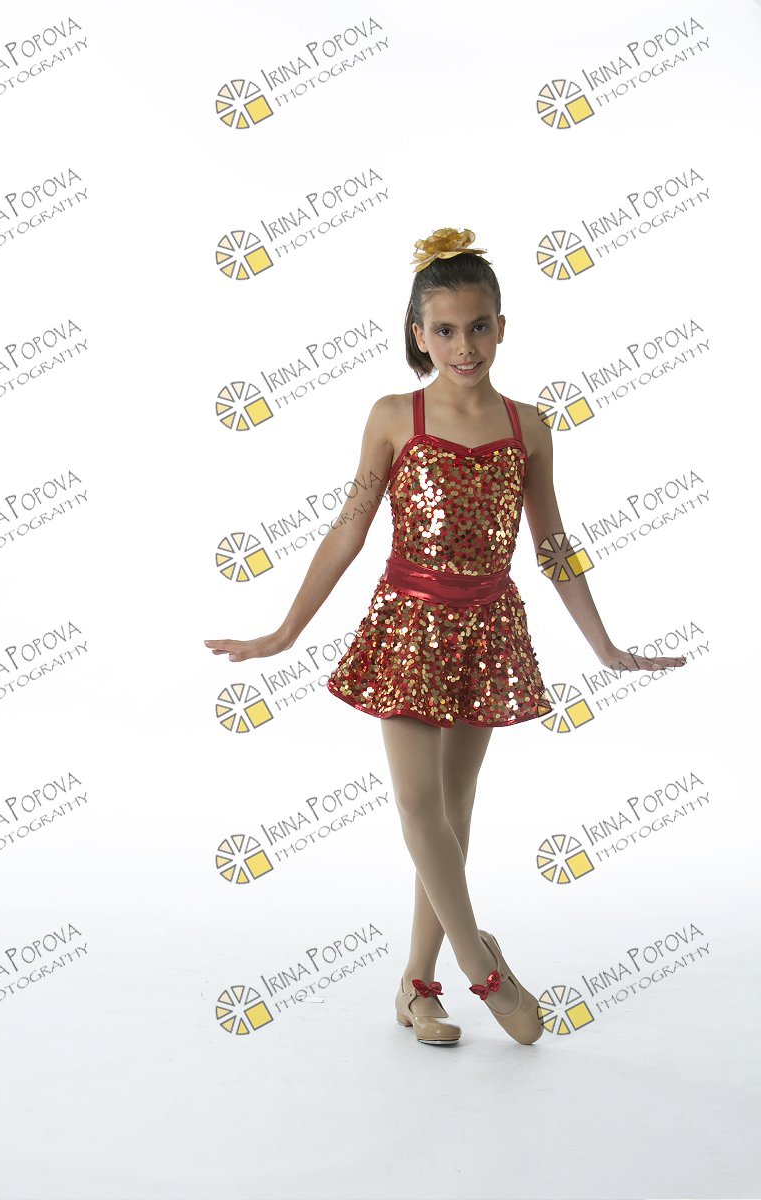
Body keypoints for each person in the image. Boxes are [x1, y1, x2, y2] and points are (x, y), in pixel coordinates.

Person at [204, 226, 687, 1048]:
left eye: (479, 326)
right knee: (419, 806)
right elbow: (350, 527)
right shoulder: (396, 416)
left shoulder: (529, 425)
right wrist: (284, 631)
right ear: (419, 335)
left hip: (488, 627)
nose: (465, 346)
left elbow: (552, 544)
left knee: (453, 815)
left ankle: (417, 987)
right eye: (447, 330)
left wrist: (604, 645)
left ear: (502, 327)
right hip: (410, 626)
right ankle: (483, 966)